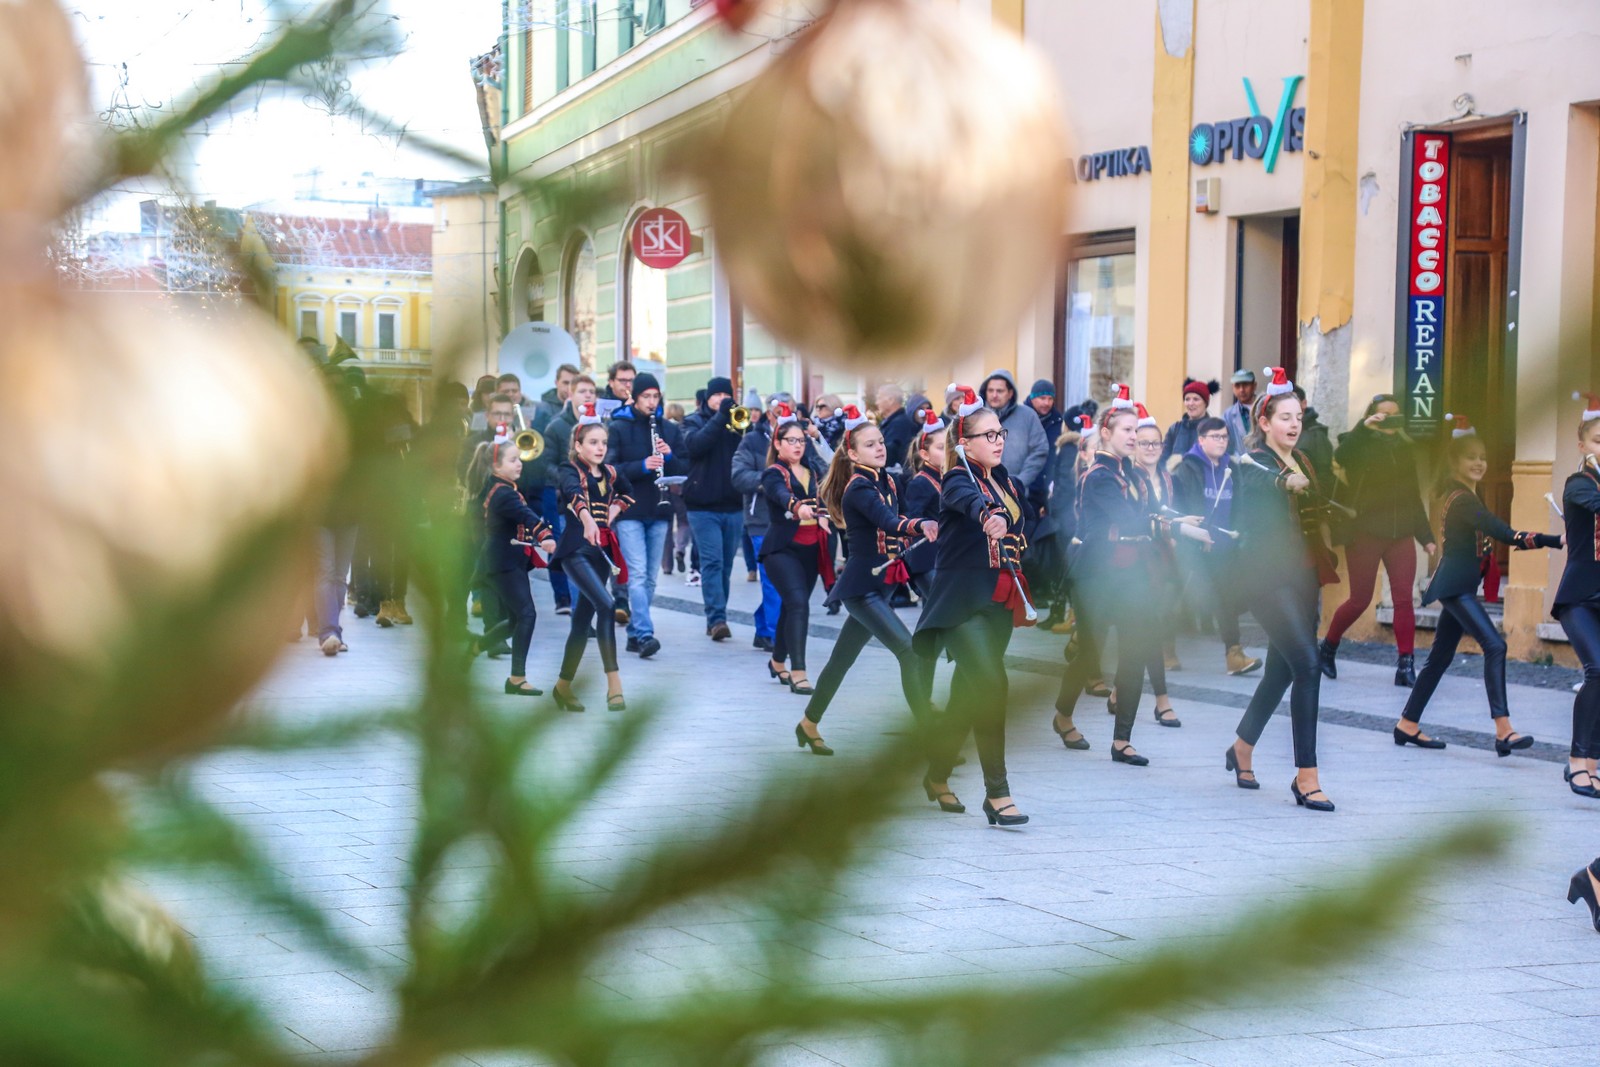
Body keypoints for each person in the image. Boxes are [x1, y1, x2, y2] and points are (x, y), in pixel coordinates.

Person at [1395, 423, 1559, 753]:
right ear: (1455, 462)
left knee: (1439, 658)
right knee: (1495, 645)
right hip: (1455, 587)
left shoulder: (1469, 495)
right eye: (1471, 457)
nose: (1480, 463)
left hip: (1459, 584)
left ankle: (1407, 724)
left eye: (1483, 457)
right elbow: (1503, 532)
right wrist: (1555, 540)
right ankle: (1504, 730)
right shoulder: (1463, 500)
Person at [914, 389, 1032, 824]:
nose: (999, 440)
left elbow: (1026, 523)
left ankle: (938, 774)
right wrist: (990, 518)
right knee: (993, 685)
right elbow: (971, 503)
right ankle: (997, 794)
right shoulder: (957, 479)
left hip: (998, 602)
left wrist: (1014, 524)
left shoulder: (1009, 481)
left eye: (1000, 432)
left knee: (967, 692)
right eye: (988, 435)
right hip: (962, 606)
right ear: (964, 444)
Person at [794, 406, 937, 756]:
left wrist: (923, 522)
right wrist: (918, 526)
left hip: (882, 585)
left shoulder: (887, 479)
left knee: (842, 659)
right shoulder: (858, 487)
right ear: (853, 453)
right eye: (870, 444)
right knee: (910, 652)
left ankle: (808, 723)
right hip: (862, 588)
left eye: (881, 442)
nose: (880, 448)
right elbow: (889, 520)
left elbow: (901, 514)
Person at [1224, 368, 1336, 811]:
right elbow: (1263, 481)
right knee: (1308, 665)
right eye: (1284, 417)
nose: (1293, 425)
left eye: (1299, 417)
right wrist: (1285, 482)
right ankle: (1306, 776)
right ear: (1264, 422)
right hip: (1266, 578)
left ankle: (1242, 748)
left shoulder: (1304, 460)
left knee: (1281, 670)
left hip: (1303, 575)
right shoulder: (1253, 461)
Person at [1053, 390, 1165, 766]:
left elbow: (1153, 511)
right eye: (1127, 430)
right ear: (1106, 432)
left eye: (1136, 430)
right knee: (1091, 654)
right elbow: (1133, 518)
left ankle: (1122, 741)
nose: (1134, 436)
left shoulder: (1133, 473)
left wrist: (1177, 520)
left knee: (1134, 651)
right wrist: (1162, 524)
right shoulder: (1098, 476)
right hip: (1095, 576)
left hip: (1132, 573)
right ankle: (1064, 715)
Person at [1319, 395, 1437, 687]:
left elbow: (1412, 497)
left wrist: (1426, 537)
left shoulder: (1405, 450)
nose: (1389, 421)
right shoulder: (1358, 444)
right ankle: (1328, 648)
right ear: (1371, 415)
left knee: (1404, 600)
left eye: (1394, 416)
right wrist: (1364, 427)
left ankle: (1405, 665)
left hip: (1400, 535)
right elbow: (1343, 456)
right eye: (1382, 415)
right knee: (1360, 600)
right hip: (1365, 532)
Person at [550, 405, 635, 711]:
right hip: (576, 549)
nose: (600, 448)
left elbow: (628, 492)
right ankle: (615, 685)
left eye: (603, 443)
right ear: (578, 446)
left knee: (581, 622)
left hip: (600, 553)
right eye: (593, 443)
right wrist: (587, 520)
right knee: (607, 604)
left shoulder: (611, 472)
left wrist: (613, 511)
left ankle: (562, 687)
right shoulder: (569, 469)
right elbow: (573, 494)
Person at [1172, 415, 1261, 676]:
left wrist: (1239, 533)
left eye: (1225, 437)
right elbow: (1186, 506)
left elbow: (1240, 505)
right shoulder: (1188, 467)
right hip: (1195, 547)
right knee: (1178, 599)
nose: (1222, 441)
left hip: (1224, 547)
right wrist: (1199, 535)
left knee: (1227, 600)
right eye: (1216, 437)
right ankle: (1163, 647)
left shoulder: (1231, 466)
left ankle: (1234, 654)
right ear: (1201, 440)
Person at [606, 372, 686, 659]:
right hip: (629, 510)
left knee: (650, 578)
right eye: (646, 397)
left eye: (655, 397)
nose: (652, 402)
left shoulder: (669, 429)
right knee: (637, 574)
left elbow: (683, 467)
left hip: (660, 509)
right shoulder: (618, 427)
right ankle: (644, 633)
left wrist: (669, 457)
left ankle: (633, 634)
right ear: (635, 398)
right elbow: (610, 468)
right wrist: (642, 465)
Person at [758, 404, 836, 694]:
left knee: (792, 606)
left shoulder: (813, 471)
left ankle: (778, 662)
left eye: (801, 440)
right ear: (777, 444)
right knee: (799, 603)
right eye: (791, 440)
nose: (797, 446)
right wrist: (797, 507)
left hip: (812, 548)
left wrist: (825, 515)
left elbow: (826, 498)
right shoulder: (773, 473)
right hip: (782, 549)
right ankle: (798, 672)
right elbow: (780, 495)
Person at [474, 435, 558, 696]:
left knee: (515, 619)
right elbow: (526, 515)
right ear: (497, 466)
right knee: (526, 615)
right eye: (512, 460)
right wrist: (544, 535)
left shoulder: (502, 487)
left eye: (519, 459)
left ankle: (474, 648)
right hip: (503, 563)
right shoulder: (503, 493)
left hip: (504, 561)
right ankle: (517, 679)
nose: (519, 464)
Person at [1555, 397, 1600, 800]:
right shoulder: (1579, 484)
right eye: (1599, 440)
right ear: (1584, 445)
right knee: (1597, 669)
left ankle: (1594, 765)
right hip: (1580, 596)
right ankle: (1576, 763)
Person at [1131, 404, 1187, 724]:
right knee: (1147, 626)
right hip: (1134, 561)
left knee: (1148, 625)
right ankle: (1162, 700)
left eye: (1155, 443)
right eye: (1143, 443)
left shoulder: (1167, 479)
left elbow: (1174, 514)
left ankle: (1121, 689)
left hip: (1163, 559)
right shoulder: (1128, 478)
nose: (1150, 449)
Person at [682, 376, 746, 641]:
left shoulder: (735, 422)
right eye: (716, 396)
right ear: (708, 398)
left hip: (733, 505)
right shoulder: (692, 421)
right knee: (712, 562)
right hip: (702, 507)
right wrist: (720, 417)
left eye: (725, 396)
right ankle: (717, 619)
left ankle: (718, 615)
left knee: (727, 566)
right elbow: (696, 446)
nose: (721, 400)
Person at [543, 375, 599, 615]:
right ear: (571, 395)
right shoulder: (556, 426)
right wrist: (569, 481)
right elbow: (546, 464)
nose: (588, 396)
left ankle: (591, 610)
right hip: (568, 504)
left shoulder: (599, 426)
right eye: (582, 391)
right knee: (577, 559)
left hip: (598, 503)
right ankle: (580, 614)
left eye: (592, 392)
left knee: (594, 561)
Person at [978, 370, 1051, 495]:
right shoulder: (975, 417)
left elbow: (1040, 450)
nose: (994, 395)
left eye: (1000, 391)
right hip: (981, 493)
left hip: (1017, 495)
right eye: (990, 390)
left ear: (1010, 393)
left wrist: (1020, 482)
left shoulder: (1027, 416)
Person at [1160, 379, 1220, 465]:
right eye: (1187, 399)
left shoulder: (1215, 430)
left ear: (1205, 403)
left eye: (1196, 399)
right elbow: (1163, 460)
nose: (1190, 403)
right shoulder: (1175, 429)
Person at [876, 384, 914, 474]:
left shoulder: (899, 424)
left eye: (879, 398)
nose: (877, 403)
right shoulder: (893, 422)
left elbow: (889, 455)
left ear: (891, 400)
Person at [1222, 368, 1256, 454]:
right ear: (1233, 388)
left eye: (1245, 385)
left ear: (1254, 386)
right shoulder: (1227, 415)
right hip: (1239, 465)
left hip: (1265, 463)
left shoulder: (1266, 409)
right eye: (1237, 386)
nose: (1241, 390)